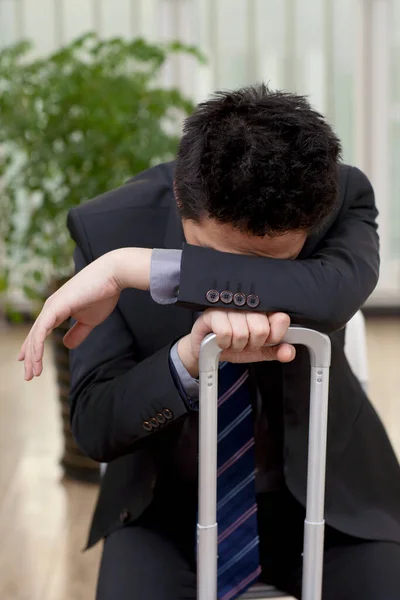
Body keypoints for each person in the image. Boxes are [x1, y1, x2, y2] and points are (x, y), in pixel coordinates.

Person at [20, 85, 400, 600]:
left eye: (273, 265)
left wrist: (140, 268)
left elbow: (332, 297)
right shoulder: (109, 226)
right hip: (165, 506)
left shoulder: (338, 194)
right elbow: (94, 425)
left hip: (332, 494)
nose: (244, 296)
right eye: (217, 256)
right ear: (181, 194)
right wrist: (188, 360)